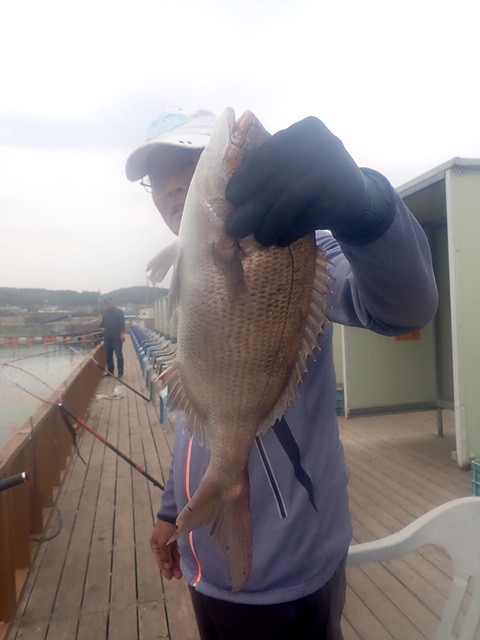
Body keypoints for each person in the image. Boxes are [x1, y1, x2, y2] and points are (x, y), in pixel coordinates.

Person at [126, 108, 438, 639]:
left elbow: (406, 307)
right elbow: (199, 414)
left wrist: (364, 209)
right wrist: (171, 509)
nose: (173, 185)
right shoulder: (190, 260)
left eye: (189, 164)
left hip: (290, 575)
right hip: (204, 569)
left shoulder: (300, 245)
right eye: (158, 177)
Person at [100, 296, 125, 378]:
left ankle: (120, 372)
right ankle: (110, 372)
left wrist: (122, 334)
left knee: (119, 355)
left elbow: (122, 324)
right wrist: (96, 323)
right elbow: (102, 324)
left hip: (117, 337)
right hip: (107, 337)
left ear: (112, 302)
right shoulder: (105, 313)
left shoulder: (119, 312)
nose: (107, 304)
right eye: (105, 303)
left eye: (108, 302)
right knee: (108, 356)